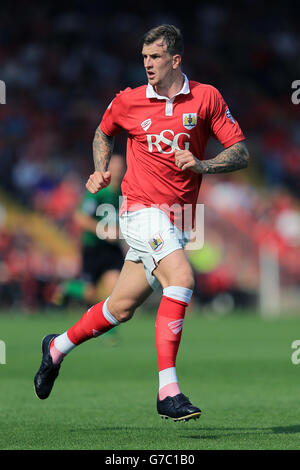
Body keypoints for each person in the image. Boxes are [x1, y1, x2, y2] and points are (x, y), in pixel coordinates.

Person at [34, 24, 249, 422]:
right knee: (181, 278)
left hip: (179, 218)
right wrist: (100, 170)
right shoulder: (128, 101)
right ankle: (168, 391)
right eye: (144, 57)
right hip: (140, 210)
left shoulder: (206, 98)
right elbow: (103, 133)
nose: (147, 64)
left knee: (121, 306)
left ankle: (56, 348)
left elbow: (240, 151)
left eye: (155, 57)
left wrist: (203, 164)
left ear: (175, 59)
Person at [53, 154, 125, 308]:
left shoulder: (125, 192)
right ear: (108, 169)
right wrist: (104, 232)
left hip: (112, 249)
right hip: (93, 247)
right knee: (90, 293)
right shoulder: (99, 192)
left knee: (116, 287)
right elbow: (80, 217)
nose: (118, 171)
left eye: (121, 167)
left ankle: (108, 328)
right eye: (115, 167)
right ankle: (68, 287)